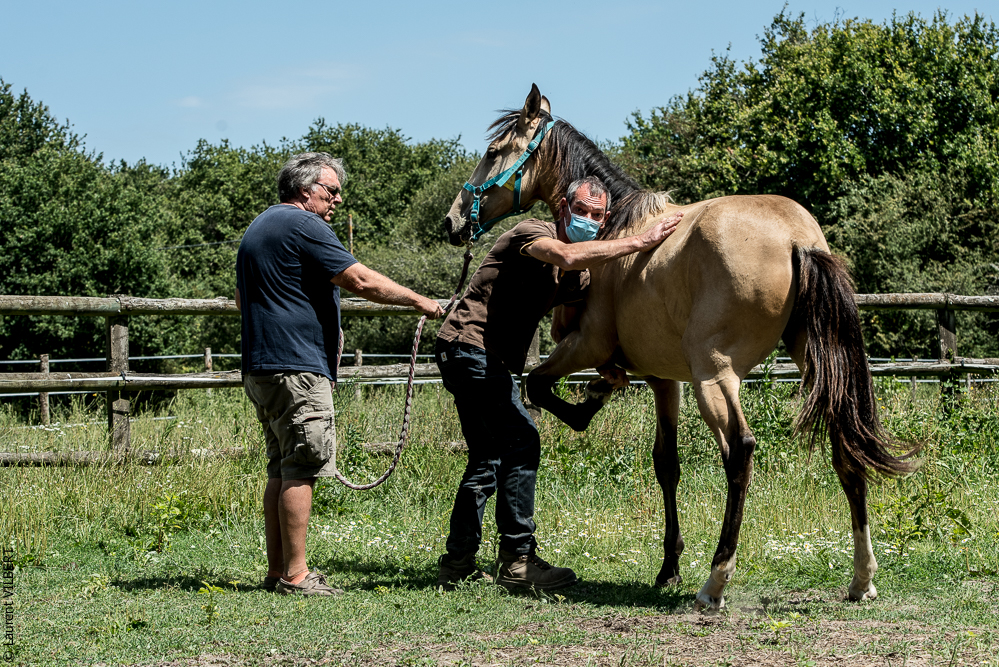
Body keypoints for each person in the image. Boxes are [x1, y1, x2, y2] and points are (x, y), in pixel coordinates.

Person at [435, 175, 682, 590]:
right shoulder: (533, 233)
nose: (586, 219)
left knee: (487, 458)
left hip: (477, 356)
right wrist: (641, 242)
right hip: (469, 347)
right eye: (580, 210)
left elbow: (566, 334)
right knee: (521, 441)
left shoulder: (576, 281)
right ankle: (517, 561)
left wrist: (605, 361)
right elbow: (565, 255)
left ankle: (457, 563)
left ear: (603, 223)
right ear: (564, 209)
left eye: (595, 215)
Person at [236, 152, 443, 596]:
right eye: (331, 191)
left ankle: (278, 572)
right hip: (297, 368)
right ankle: (296, 576)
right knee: (303, 466)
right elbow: (361, 281)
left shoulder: (258, 228)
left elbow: (241, 299)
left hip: (262, 367)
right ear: (305, 190)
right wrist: (418, 300)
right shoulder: (306, 225)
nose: (337, 200)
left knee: (281, 466)